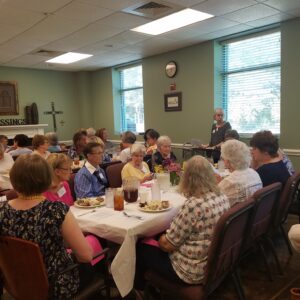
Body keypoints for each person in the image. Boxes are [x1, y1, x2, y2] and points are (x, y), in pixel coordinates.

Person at [0, 154, 93, 299]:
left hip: (15, 282)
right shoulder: (56, 210)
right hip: (54, 285)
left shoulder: (2, 211)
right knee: (91, 263)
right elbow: (86, 256)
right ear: (46, 178)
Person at [134, 155, 230, 292]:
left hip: (190, 271)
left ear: (187, 178)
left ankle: (140, 290)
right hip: (212, 262)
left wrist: (159, 238)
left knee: (139, 245)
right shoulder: (222, 196)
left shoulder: (194, 204)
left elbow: (167, 245)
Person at [218, 140, 262, 207]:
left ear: (228, 161)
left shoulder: (229, 182)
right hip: (254, 213)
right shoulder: (255, 173)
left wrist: (216, 185)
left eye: (223, 158)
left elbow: (217, 204)